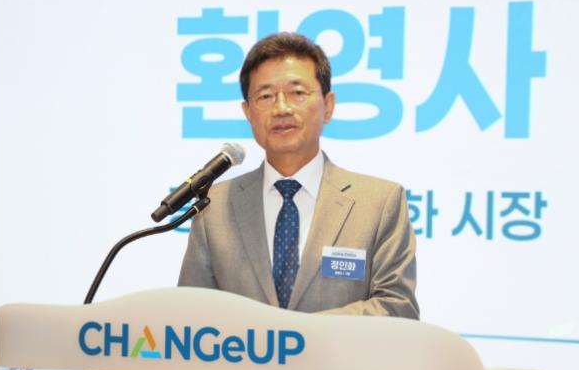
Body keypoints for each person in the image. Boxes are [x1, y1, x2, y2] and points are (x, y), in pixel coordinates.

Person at [178, 32, 419, 319]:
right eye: (265, 96)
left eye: (298, 93)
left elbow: (397, 308)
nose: (281, 108)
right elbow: (190, 316)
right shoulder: (213, 207)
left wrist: (296, 335)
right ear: (248, 112)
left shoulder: (379, 203)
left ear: (328, 106)